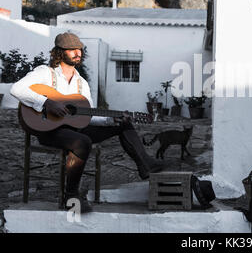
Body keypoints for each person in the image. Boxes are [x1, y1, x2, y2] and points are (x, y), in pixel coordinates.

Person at [10, 32, 165, 213]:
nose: (78, 53)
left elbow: (88, 116)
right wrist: (47, 102)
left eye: (80, 49)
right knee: (82, 142)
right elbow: (16, 89)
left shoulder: (81, 83)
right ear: (60, 52)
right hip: (48, 129)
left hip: (74, 128)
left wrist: (110, 119)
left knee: (122, 124)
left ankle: (146, 165)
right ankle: (71, 196)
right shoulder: (45, 73)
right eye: (72, 50)